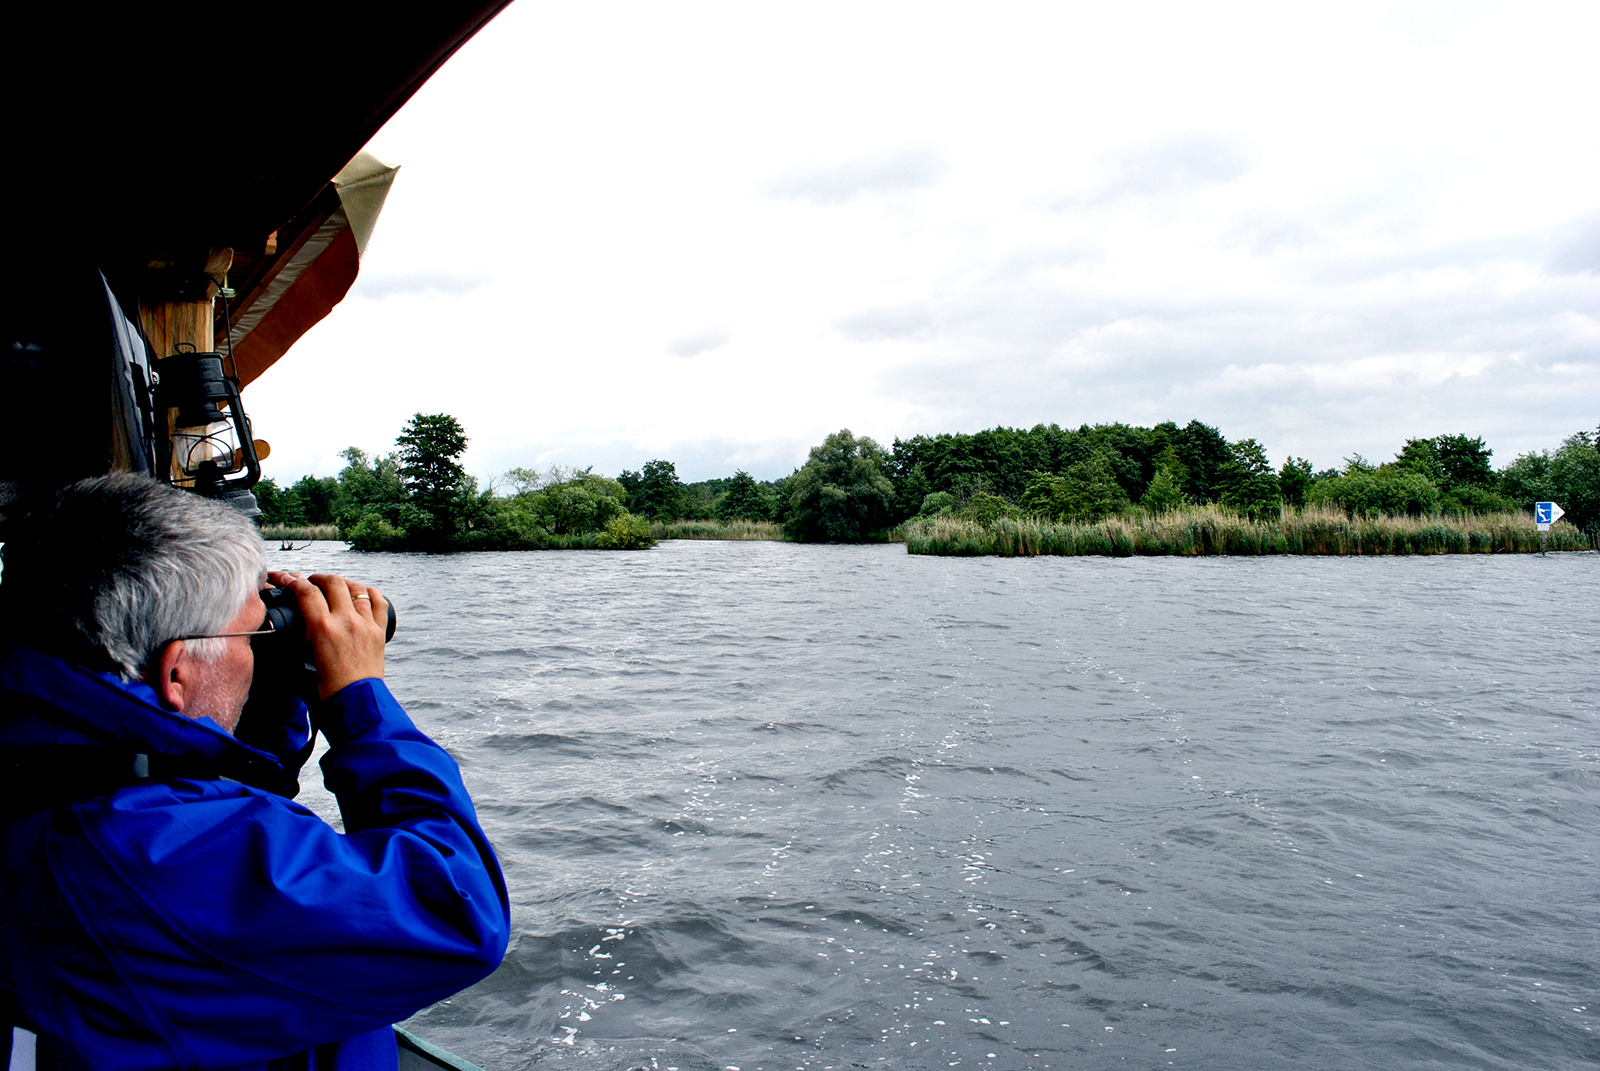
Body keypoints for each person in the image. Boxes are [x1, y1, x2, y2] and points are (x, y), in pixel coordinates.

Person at [0, 474, 510, 1069]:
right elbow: (456, 911)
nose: (261, 646)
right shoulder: (155, 850)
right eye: (252, 633)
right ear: (176, 672)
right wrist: (359, 703)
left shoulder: (56, 763)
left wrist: (267, 694)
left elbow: (212, 794)